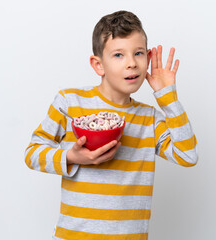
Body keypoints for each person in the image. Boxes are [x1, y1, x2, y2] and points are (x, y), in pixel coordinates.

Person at [24, 10, 198, 240]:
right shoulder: (69, 102)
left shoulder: (150, 119)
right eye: (118, 55)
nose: (132, 64)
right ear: (98, 65)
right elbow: (32, 153)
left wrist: (167, 97)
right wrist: (72, 157)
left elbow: (188, 156)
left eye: (138, 53)